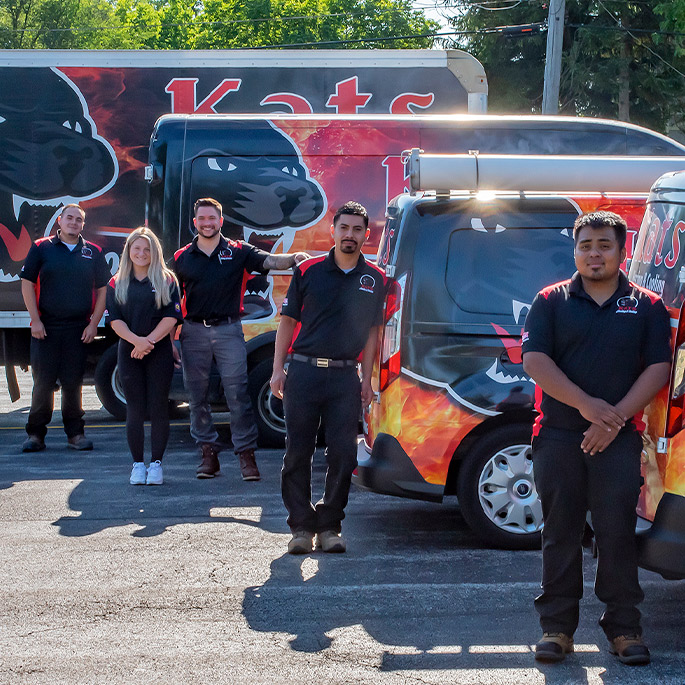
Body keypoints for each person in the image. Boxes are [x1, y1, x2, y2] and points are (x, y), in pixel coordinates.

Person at [522, 211, 671, 666]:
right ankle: (557, 629)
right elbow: (535, 360)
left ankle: (624, 629)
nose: (594, 253)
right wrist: (588, 407)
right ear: (575, 250)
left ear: (621, 251)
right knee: (560, 533)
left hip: (620, 439)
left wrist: (613, 420)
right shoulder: (550, 301)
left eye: (604, 245)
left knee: (616, 533)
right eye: (585, 244)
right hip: (559, 436)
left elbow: (658, 368)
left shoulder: (647, 305)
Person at [271, 201, 385, 554]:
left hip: (343, 379)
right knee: (297, 454)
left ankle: (330, 526)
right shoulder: (309, 271)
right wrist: (278, 369)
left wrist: (367, 380)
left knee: (343, 456)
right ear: (332, 230)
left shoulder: (375, 279)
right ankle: (301, 529)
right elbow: (287, 322)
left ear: (366, 235)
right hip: (303, 372)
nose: (350, 235)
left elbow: (372, 334)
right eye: (344, 228)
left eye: (357, 229)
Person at [173, 197, 308, 481]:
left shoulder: (238, 251)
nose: (207, 223)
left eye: (212, 218)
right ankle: (207, 453)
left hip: (229, 330)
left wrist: (294, 259)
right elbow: (171, 298)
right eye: (202, 219)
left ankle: (246, 455)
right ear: (195, 222)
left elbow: (270, 261)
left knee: (237, 394)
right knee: (197, 397)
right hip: (193, 331)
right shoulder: (181, 257)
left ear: (221, 221)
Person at [20, 204, 110, 452]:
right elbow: (27, 283)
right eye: (69, 218)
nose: (73, 222)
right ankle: (36, 435)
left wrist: (93, 323)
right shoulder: (41, 248)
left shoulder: (93, 252)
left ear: (83, 224)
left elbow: (103, 290)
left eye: (78, 219)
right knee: (43, 383)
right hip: (46, 328)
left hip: (78, 329)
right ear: (59, 220)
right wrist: (35, 320)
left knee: (73, 383)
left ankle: (75, 434)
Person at [107, 227, 183, 485]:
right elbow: (115, 321)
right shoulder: (117, 282)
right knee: (135, 409)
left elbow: (171, 317)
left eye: (147, 248)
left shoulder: (167, 279)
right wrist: (136, 342)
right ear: (128, 250)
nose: (141, 253)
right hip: (129, 352)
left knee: (159, 407)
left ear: (155, 252)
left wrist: (148, 342)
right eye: (136, 248)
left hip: (158, 351)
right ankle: (138, 464)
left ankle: (157, 465)